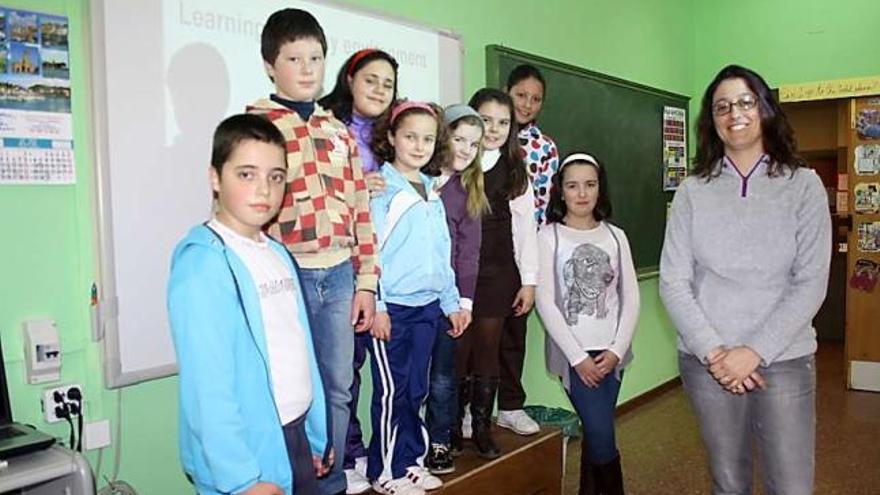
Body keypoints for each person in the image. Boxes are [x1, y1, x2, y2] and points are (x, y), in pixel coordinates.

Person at [660, 64, 832, 494]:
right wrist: (716, 353)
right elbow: (673, 282)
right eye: (722, 107)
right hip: (708, 363)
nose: (734, 113)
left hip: (785, 359)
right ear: (711, 121)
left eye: (744, 102)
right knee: (729, 482)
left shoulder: (804, 186)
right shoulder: (692, 191)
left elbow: (810, 281)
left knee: (792, 486)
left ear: (765, 109)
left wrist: (753, 352)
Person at [248, 10, 380, 495]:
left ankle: (332, 483)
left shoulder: (338, 131)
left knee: (339, 387)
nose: (307, 69)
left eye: (316, 58)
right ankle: (296, 481)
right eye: (294, 58)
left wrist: (366, 281)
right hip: (288, 276)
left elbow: (361, 208)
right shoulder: (256, 127)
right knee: (291, 390)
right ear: (269, 64)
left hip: (340, 274)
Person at [167, 114, 330, 495]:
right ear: (214, 178)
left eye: (275, 176)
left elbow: (299, 349)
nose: (264, 190)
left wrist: (315, 437)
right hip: (248, 460)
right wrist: (241, 481)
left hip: (294, 437)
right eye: (246, 174)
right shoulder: (203, 263)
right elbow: (207, 387)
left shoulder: (276, 252)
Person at [366, 101, 467, 495]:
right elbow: (369, 253)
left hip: (428, 308)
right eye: (410, 136)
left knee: (416, 391)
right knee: (393, 393)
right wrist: (377, 306)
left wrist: (451, 302)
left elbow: (442, 254)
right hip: (393, 311)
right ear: (391, 138)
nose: (419, 145)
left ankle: (410, 462)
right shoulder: (381, 190)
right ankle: (387, 471)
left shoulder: (432, 191)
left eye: (428, 138)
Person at [319, 47, 399, 495]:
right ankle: (345, 454)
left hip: (385, 269)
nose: (379, 90)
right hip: (337, 269)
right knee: (341, 370)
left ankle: (372, 449)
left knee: (383, 370)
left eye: (387, 84)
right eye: (371, 80)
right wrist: (354, 187)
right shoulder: (328, 130)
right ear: (349, 79)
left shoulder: (394, 134)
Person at [536, 152, 639, 495]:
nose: (582, 193)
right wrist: (578, 358)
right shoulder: (548, 236)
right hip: (573, 356)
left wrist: (616, 350)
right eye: (573, 186)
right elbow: (545, 302)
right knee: (601, 437)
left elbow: (631, 298)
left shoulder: (615, 235)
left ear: (600, 189)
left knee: (598, 433)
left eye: (590, 185)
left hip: (613, 353)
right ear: (561, 192)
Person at [455, 89, 538, 459]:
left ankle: (483, 427)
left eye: (503, 122)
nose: (494, 128)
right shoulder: (455, 163)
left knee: (488, 351)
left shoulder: (516, 171)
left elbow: (526, 231)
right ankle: (452, 426)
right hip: (459, 275)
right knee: (459, 352)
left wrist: (529, 281)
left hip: (499, 273)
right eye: (486, 120)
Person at [495, 63, 561, 436]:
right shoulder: (485, 133)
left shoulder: (544, 147)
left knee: (513, 334)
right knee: (477, 337)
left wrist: (533, 267)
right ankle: (471, 408)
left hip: (523, 251)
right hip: (483, 247)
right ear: (507, 90)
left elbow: (543, 205)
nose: (527, 104)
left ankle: (510, 405)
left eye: (536, 99)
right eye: (521, 95)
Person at [424, 104, 489, 474]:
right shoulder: (416, 178)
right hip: (409, 295)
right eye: (459, 138)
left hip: (447, 300)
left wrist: (464, 302)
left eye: (474, 144)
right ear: (442, 135)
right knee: (411, 375)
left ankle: (440, 441)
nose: (466, 149)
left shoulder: (468, 191)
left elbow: (469, 252)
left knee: (444, 376)